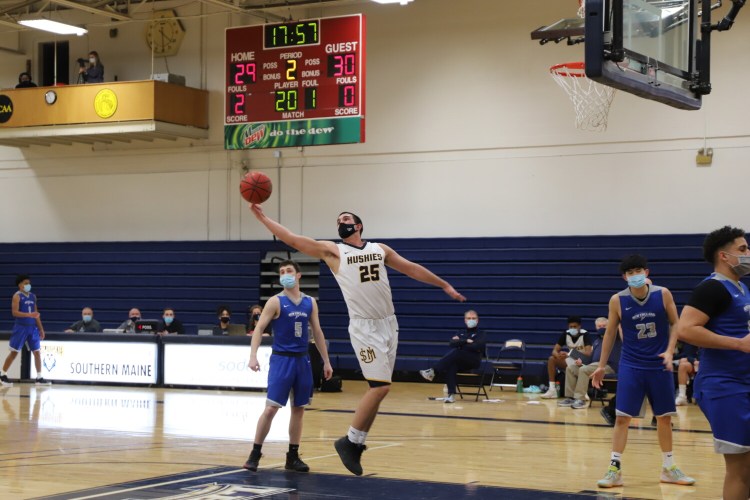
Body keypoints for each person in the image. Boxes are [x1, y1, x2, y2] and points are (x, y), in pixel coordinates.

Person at [249, 205, 465, 476]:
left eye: (347, 218)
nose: (342, 222)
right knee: (378, 387)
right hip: (364, 327)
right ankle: (350, 441)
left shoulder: (380, 249)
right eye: (338, 220)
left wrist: (443, 284)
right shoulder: (334, 251)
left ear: (359, 225)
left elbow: (411, 269)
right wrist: (263, 218)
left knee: (383, 389)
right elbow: (293, 239)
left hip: (389, 324)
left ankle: (354, 443)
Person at [591, 254, 694, 488]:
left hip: (659, 365)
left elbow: (676, 323)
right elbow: (609, 334)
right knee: (622, 418)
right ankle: (614, 469)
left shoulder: (663, 293)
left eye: (639, 271)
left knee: (664, 418)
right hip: (631, 365)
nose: (635, 275)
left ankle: (669, 467)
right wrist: (600, 365)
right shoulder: (617, 300)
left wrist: (670, 351)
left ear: (646, 273)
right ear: (624, 277)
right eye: (630, 272)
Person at [676, 226, 750, 500]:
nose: (748, 254)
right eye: (742, 249)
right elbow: (685, 329)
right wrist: (739, 344)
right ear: (724, 256)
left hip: (742, 382)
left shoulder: (741, 288)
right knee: (739, 467)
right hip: (724, 386)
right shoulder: (712, 288)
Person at [244, 260, 333, 473]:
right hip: (282, 359)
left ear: (298, 275)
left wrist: (326, 361)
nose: (285, 274)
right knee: (271, 408)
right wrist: (253, 355)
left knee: (299, 408)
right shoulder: (275, 302)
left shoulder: (310, 302)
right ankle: (255, 452)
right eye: (282, 272)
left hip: (303, 359)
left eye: (289, 271)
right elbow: (258, 329)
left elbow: (318, 333)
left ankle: (292, 455)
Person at [419, 310, 486, 403]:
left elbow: (478, 346)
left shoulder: (481, 333)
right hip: (460, 361)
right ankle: (451, 395)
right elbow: (451, 343)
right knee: (451, 364)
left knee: (457, 351)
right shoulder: (461, 332)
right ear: (465, 320)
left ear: (477, 320)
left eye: (473, 318)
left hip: (473, 361)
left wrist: (460, 342)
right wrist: (466, 341)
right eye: (469, 318)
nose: (471, 320)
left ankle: (433, 371)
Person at [558, 317, 621, 409]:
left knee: (584, 370)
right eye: (599, 326)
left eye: (604, 326)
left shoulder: (615, 336)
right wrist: (581, 362)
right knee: (570, 368)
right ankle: (570, 397)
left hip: (609, 366)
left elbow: (618, 325)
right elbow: (590, 360)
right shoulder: (596, 342)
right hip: (593, 366)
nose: (602, 328)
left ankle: (581, 399)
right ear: (596, 327)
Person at [0, 275, 50, 387]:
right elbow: (15, 312)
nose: (28, 285)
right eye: (26, 283)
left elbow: (36, 314)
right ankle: (3, 375)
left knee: (37, 352)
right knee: (14, 352)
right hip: (21, 327)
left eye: (29, 283)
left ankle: (39, 377)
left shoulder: (33, 296)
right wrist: (29, 314)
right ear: (20, 285)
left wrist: (41, 329)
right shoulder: (17, 296)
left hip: (32, 328)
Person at [541, 316, 592, 399]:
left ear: (579, 326)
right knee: (552, 359)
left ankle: (583, 391)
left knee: (579, 366)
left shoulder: (585, 335)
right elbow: (554, 350)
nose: (572, 329)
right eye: (570, 327)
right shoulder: (566, 334)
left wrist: (569, 354)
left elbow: (588, 353)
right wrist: (558, 355)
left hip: (583, 361)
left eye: (575, 327)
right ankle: (552, 390)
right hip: (572, 359)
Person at [673, 341, 699, 406]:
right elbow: (687, 356)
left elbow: (687, 355)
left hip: (705, 363)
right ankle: (682, 396)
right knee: (683, 364)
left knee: (683, 362)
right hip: (695, 364)